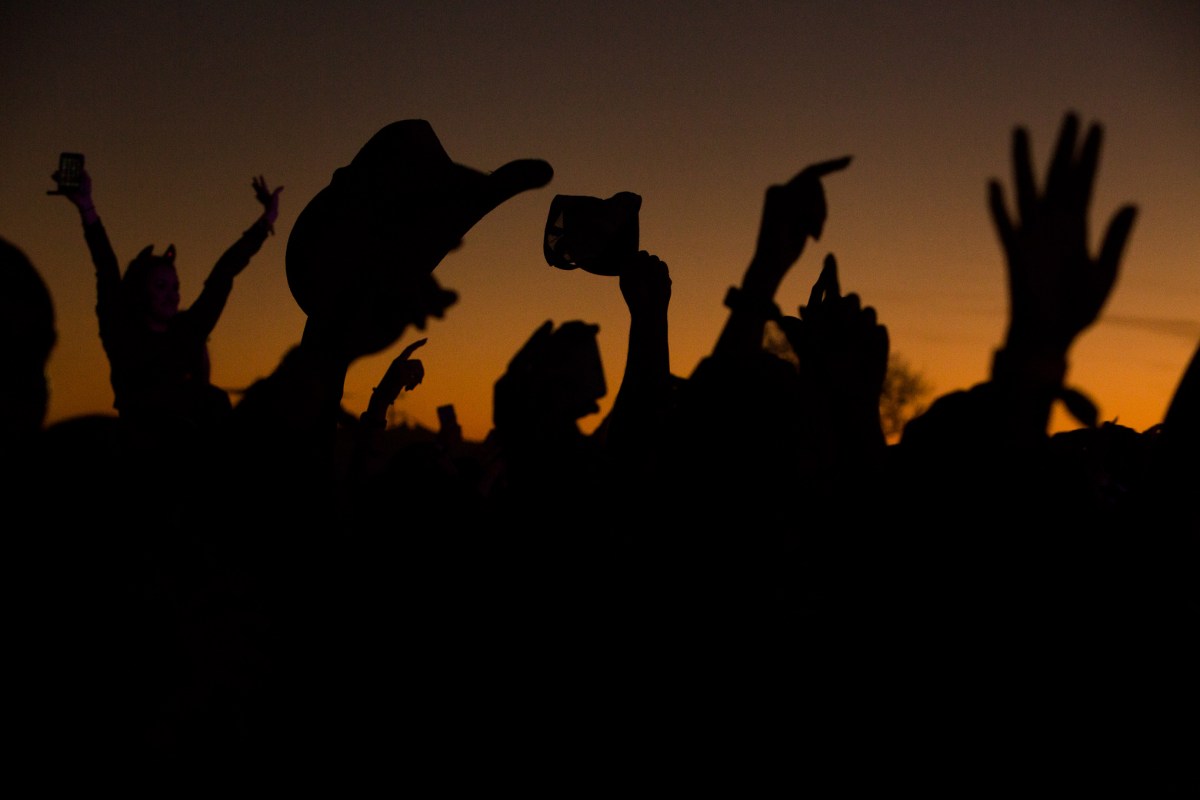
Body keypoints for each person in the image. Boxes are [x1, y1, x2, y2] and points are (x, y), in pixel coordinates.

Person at [51, 164, 282, 463]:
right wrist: (87, 209)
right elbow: (106, 269)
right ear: (139, 292)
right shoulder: (122, 333)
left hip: (197, 458)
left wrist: (267, 221)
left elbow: (223, 274)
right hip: (142, 457)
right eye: (161, 286)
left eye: (175, 286)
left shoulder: (188, 330)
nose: (172, 295)